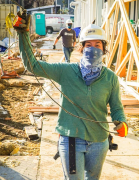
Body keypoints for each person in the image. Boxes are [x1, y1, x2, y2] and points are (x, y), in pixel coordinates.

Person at [13, 10, 128, 180]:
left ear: (104, 49)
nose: (93, 49)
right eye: (88, 45)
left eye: (98, 45)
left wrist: (121, 122)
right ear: (81, 48)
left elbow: (117, 108)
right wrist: (22, 34)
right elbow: (33, 66)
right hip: (71, 140)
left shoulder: (110, 78)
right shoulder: (66, 71)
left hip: (99, 141)